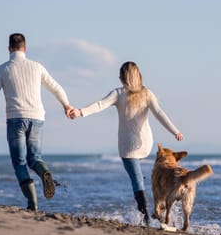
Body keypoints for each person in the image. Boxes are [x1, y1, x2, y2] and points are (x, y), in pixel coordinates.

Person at [69, 61, 183, 226]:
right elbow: (159, 113)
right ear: (139, 76)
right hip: (145, 144)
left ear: (121, 78)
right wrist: (175, 131)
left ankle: (145, 220)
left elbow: (99, 105)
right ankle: (160, 209)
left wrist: (80, 112)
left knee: (137, 181)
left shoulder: (118, 93)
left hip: (128, 146)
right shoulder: (147, 93)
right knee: (143, 177)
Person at [0, 33, 73, 211]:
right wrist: (66, 105)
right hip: (37, 118)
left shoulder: (3, 69)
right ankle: (44, 172)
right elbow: (56, 87)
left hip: (15, 119)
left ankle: (32, 203)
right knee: (35, 159)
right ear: (25, 48)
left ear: (9, 49)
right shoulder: (37, 66)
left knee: (20, 163)